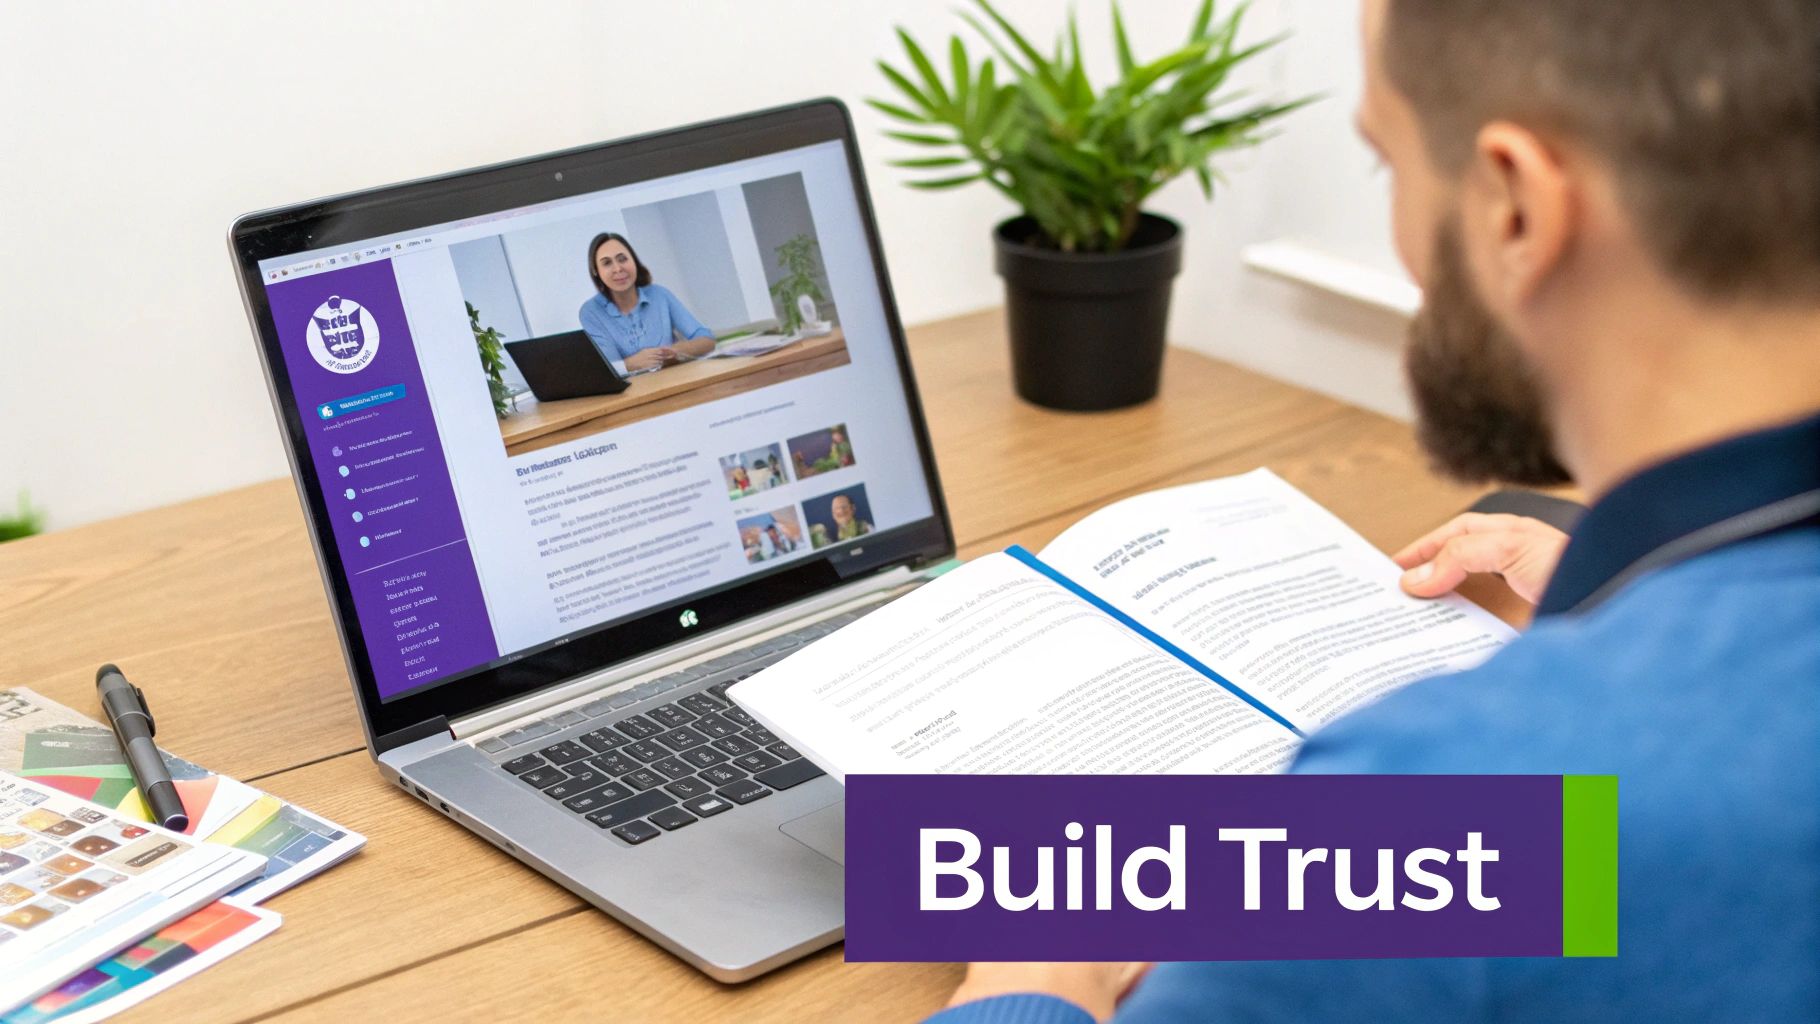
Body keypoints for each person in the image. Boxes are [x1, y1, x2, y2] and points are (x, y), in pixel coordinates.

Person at [931, 0, 1820, 1020]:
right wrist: (1629, 605)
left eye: (1385, 162)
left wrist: (1034, 980)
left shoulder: (1441, 804)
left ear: (1515, 209)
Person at [577, 232, 715, 373]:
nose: (618, 268)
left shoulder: (660, 294)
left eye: (622, 259)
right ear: (596, 271)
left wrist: (677, 351)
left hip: (678, 380)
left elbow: (707, 339)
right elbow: (607, 369)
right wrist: (631, 364)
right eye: (607, 263)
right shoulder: (590, 312)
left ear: (634, 261)